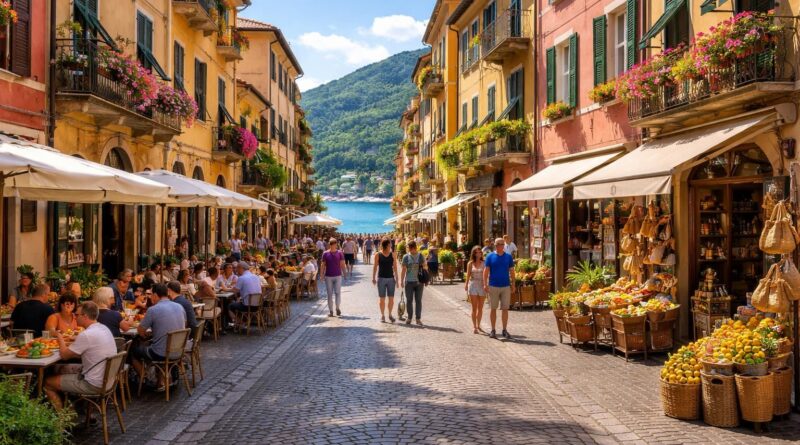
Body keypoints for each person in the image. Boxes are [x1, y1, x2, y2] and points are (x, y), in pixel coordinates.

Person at [44, 302, 118, 410]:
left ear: (85, 316)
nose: (74, 316)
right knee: (57, 369)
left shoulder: (86, 335)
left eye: (77, 315)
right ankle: (72, 407)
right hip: (108, 380)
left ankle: (62, 421)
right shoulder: (104, 328)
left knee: (48, 382)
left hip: (93, 383)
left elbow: (64, 356)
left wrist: (59, 336)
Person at [131, 284, 186, 391]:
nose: (150, 297)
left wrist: (146, 335)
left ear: (155, 295)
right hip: (179, 351)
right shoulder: (179, 306)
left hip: (161, 353)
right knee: (156, 344)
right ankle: (161, 380)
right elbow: (184, 324)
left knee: (133, 351)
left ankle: (147, 378)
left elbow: (140, 330)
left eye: (151, 295)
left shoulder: (153, 310)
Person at [483, 237, 516, 339]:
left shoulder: (508, 257)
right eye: (498, 244)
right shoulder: (490, 256)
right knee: (493, 308)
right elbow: (486, 271)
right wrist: (485, 284)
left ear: (504, 245)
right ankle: (493, 330)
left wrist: (513, 283)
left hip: (505, 286)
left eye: (502, 244)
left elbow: (512, 271)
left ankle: (504, 330)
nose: (500, 246)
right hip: (493, 286)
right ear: (495, 245)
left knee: (505, 309)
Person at [401, 241, 428, 326]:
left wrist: (426, 280)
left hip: (419, 282)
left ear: (412, 248)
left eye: (408, 248)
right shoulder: (406, 257)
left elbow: (425, 268)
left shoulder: (421, 256)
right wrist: (401, 281)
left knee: (418, 301)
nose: (408, 249)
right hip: (409, 281)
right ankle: (409, 317)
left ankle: (418, 319)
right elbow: (403, 270)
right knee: (409, 300)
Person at [372, 239, 398, 323]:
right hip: (381, 279)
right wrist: (373, 278)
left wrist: (397, 279)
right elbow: (375, 267)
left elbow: (395, 267)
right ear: (386, 245)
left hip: (391, 279)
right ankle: (382, 315)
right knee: (382, 299)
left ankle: (390, 314)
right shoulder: (378, 254)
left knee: (391, 299)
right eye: (390, 244)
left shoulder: (393, 255)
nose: (391, 245)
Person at [319, 238, 346, 317]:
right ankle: (331, 311)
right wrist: (321, 275)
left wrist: (344, 273)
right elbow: (323, 265)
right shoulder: (325, 253)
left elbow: (342, 264)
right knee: (329, 294)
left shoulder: (340, 253)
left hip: (338, 276)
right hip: (328, 276)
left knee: (337, 293)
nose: (334, 245)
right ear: (330, 245)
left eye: (335, 244)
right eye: (333, 244)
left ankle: (337, 308)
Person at [465, 246, 487, 334]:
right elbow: (468, 275)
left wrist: (487, 284)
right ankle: (474, 327)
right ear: (473, 253)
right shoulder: (470, 263)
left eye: (480, 252)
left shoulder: (485, 263)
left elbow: (487, 274)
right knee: (474, 308)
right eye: (477, 252)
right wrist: (466, 284)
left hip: (482, 285)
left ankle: (479, 324)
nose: (478, 254)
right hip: (473, 285)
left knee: (480, 308)